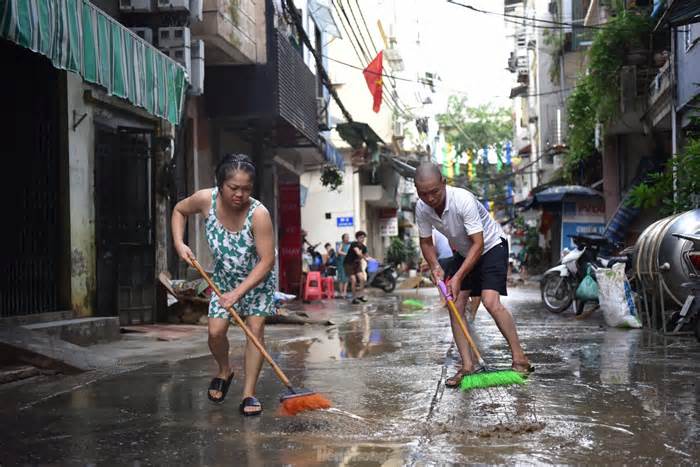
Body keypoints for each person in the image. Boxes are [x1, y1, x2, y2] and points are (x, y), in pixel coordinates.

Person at [171, 153, 276, 415]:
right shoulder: (205, 199)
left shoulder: (259, 214)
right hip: (224, 278)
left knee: (254, 331)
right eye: (233, 188)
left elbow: (267, 261)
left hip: (256, 281)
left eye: (246, 189)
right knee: (215, 332)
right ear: (220, 184)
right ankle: (224, 370)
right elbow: (179, 210)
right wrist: (179, 243)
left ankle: (249, 393)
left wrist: (238, 293)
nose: (240, 194)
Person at [414, 163, 531, 388]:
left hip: (489, 247)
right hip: (464, 251)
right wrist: (435, 266)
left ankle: (520, 358)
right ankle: (468, 366)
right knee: (455, 304)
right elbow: (426, 241)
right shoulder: (421, 208)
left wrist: (457, 277)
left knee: (490, 301)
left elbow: (478, 244)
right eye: (423, 194)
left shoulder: (463, 200)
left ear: (444, 184)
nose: (429, 198)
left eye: (434, 192)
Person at [434, 228, 482, 322]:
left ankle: (468, 313)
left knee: (471, 286)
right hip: (462, 255)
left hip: (468, 254)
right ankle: (470, 314)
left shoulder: (439, 229)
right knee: (468, 287)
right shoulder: (447, 227)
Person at [344, 231, 370, 304]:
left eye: (363, 238)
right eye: (361, 238)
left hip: (357, 264)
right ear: (357, 238)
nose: (362, 239)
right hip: (348, 264)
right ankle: (354, 298)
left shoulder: (364, 247)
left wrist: (371, 260)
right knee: (354, 280)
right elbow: (358, 253)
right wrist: (365, 258)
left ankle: (361, 296)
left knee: (362, 279)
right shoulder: (354, 244)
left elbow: (367, 256)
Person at [336, 233, 351, 298]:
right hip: (341, 263)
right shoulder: (341, 244)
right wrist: (346, 254)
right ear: (343, 238)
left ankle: (345, 292)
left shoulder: (349, 245)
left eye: (348, 237)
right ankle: (341, 292)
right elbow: (339, 251)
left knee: (347, 278)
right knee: (341, 278)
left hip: (347, 263)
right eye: (346, 237)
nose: (348, 238)